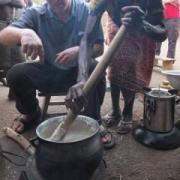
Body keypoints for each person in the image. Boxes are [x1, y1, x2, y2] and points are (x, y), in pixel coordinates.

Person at [0, 0, 114, 149]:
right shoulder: (36, 13)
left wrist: (79, 50)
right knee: (16, 73)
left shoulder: (86, 11)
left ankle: (94, 120)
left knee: (95, 68)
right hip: (48, 71)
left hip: (79, 73)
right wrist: (24, 32)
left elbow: (99, 49)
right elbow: (3, 36)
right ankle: (31, 112)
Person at [65, 0, 167, 134]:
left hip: (143, 32)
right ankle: (115, 110)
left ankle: (127, 112)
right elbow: (88, 28)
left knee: (133, 70)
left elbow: (162, 32)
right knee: (114, 67)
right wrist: (82, 75)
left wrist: (142, 25)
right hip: (116, 26)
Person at [0, 0, 25, 99]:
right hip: (2, 23)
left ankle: (14, 92)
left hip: (11, 24)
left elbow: (21, 4)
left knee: (18, 60)